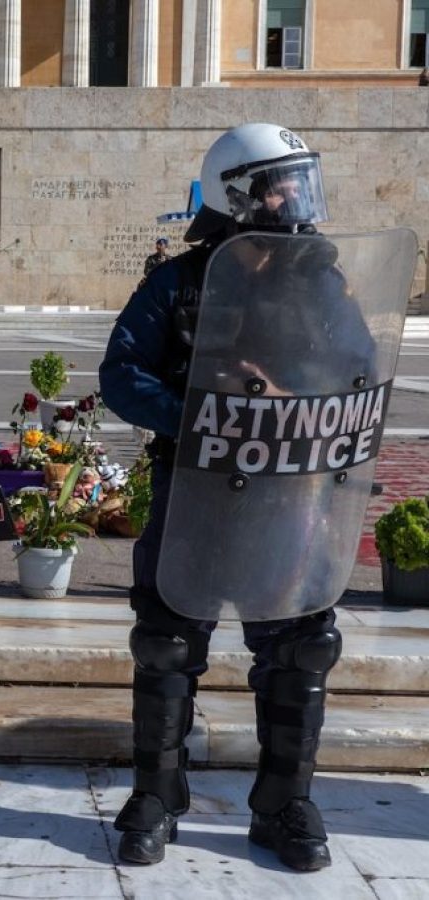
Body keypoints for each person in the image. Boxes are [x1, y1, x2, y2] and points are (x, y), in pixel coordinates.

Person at [99, 123, 359, 873]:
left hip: (290, 495)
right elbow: (122, 374)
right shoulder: (178, 283)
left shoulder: (323, 281)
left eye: (298, 180)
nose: (293, 197)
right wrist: (202, 409)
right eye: (278, 183)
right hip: (195, 489)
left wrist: (303, 398)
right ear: (234, 193)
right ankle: (156, 794)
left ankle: (284, 801)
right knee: (167, 643)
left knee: (301, 645)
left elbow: (357, 368)